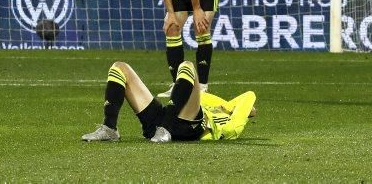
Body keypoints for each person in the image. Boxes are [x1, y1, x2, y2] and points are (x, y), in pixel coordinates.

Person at [81, 60, 256, 142]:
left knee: (187, 65)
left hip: (192, 126)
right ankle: (109, 128)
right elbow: (203, 97)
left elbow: (249, 97)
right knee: (119, 67)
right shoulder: (222, 106)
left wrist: (238, 109)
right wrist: (226, 105)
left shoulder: (235, 123)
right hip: (165, 119)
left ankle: (165, 129)